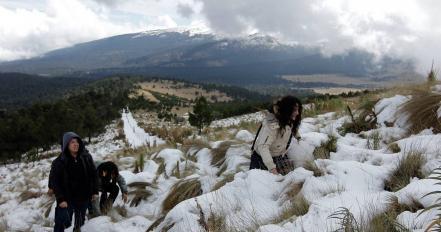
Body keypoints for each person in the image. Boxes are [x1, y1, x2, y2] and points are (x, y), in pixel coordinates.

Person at [49, 132, 98, 232]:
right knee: (61, 223)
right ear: (66, 144)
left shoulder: (86, 157)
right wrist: (60, 199)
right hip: (66, 199)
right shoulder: (59, 161)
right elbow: (55, 181)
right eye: (72, 142)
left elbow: (94, 175)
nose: (76, 144)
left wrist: (94, 191)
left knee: (80, 222)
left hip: (83, 197)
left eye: (77, 142)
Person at [250, 95, 302, 175]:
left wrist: (298, 137)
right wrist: (272, 168)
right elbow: (263, 147)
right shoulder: (272, 125)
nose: (297, 113)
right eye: (294, 110)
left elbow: (290, 128)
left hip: (280, 155)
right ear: (287, 110)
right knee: (262, 185)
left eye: (298, 110)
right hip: (261, 159)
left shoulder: (288, 119)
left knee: (288, 181)